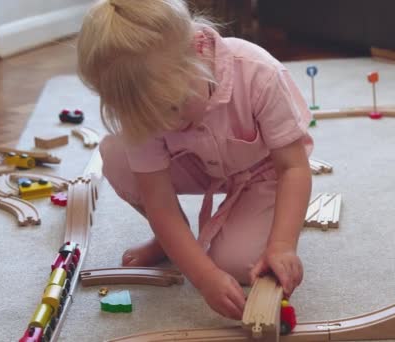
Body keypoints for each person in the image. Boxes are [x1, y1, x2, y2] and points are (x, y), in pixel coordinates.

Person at [77, 0, 313, 320]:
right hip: (196, 166)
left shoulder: (260, 74)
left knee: (238, 263)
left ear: (198, 52)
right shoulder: (145, 106)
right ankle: (170, 240)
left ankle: (211, 234)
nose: (168, 125)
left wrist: (283, 245)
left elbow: (293, 167)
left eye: (174, 106)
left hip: (263, 170)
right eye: (151, 119)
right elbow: (157, 200)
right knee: (116, 156)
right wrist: (203, 278)